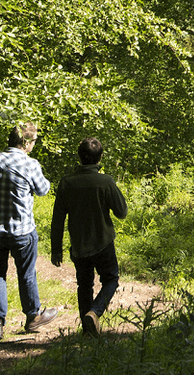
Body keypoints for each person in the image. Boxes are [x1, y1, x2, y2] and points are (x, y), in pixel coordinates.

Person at [0, 122, 60, 341]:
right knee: (26, 273)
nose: (34, 145)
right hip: (23, 232)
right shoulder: (30, 163)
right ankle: (32, 316)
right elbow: (43, 189)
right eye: (34, 141)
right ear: (26, 142)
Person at [49, 136, 129, 335]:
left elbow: (57, 219)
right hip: (103, 242)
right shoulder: (105, 182)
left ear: (79, 157)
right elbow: (122, 212)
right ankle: (94, 312)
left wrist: (56, 249)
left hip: (79, 245)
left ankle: (87, 331)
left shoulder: (67, 183)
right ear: (100, 157)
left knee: (84, 285)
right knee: (111, 279)